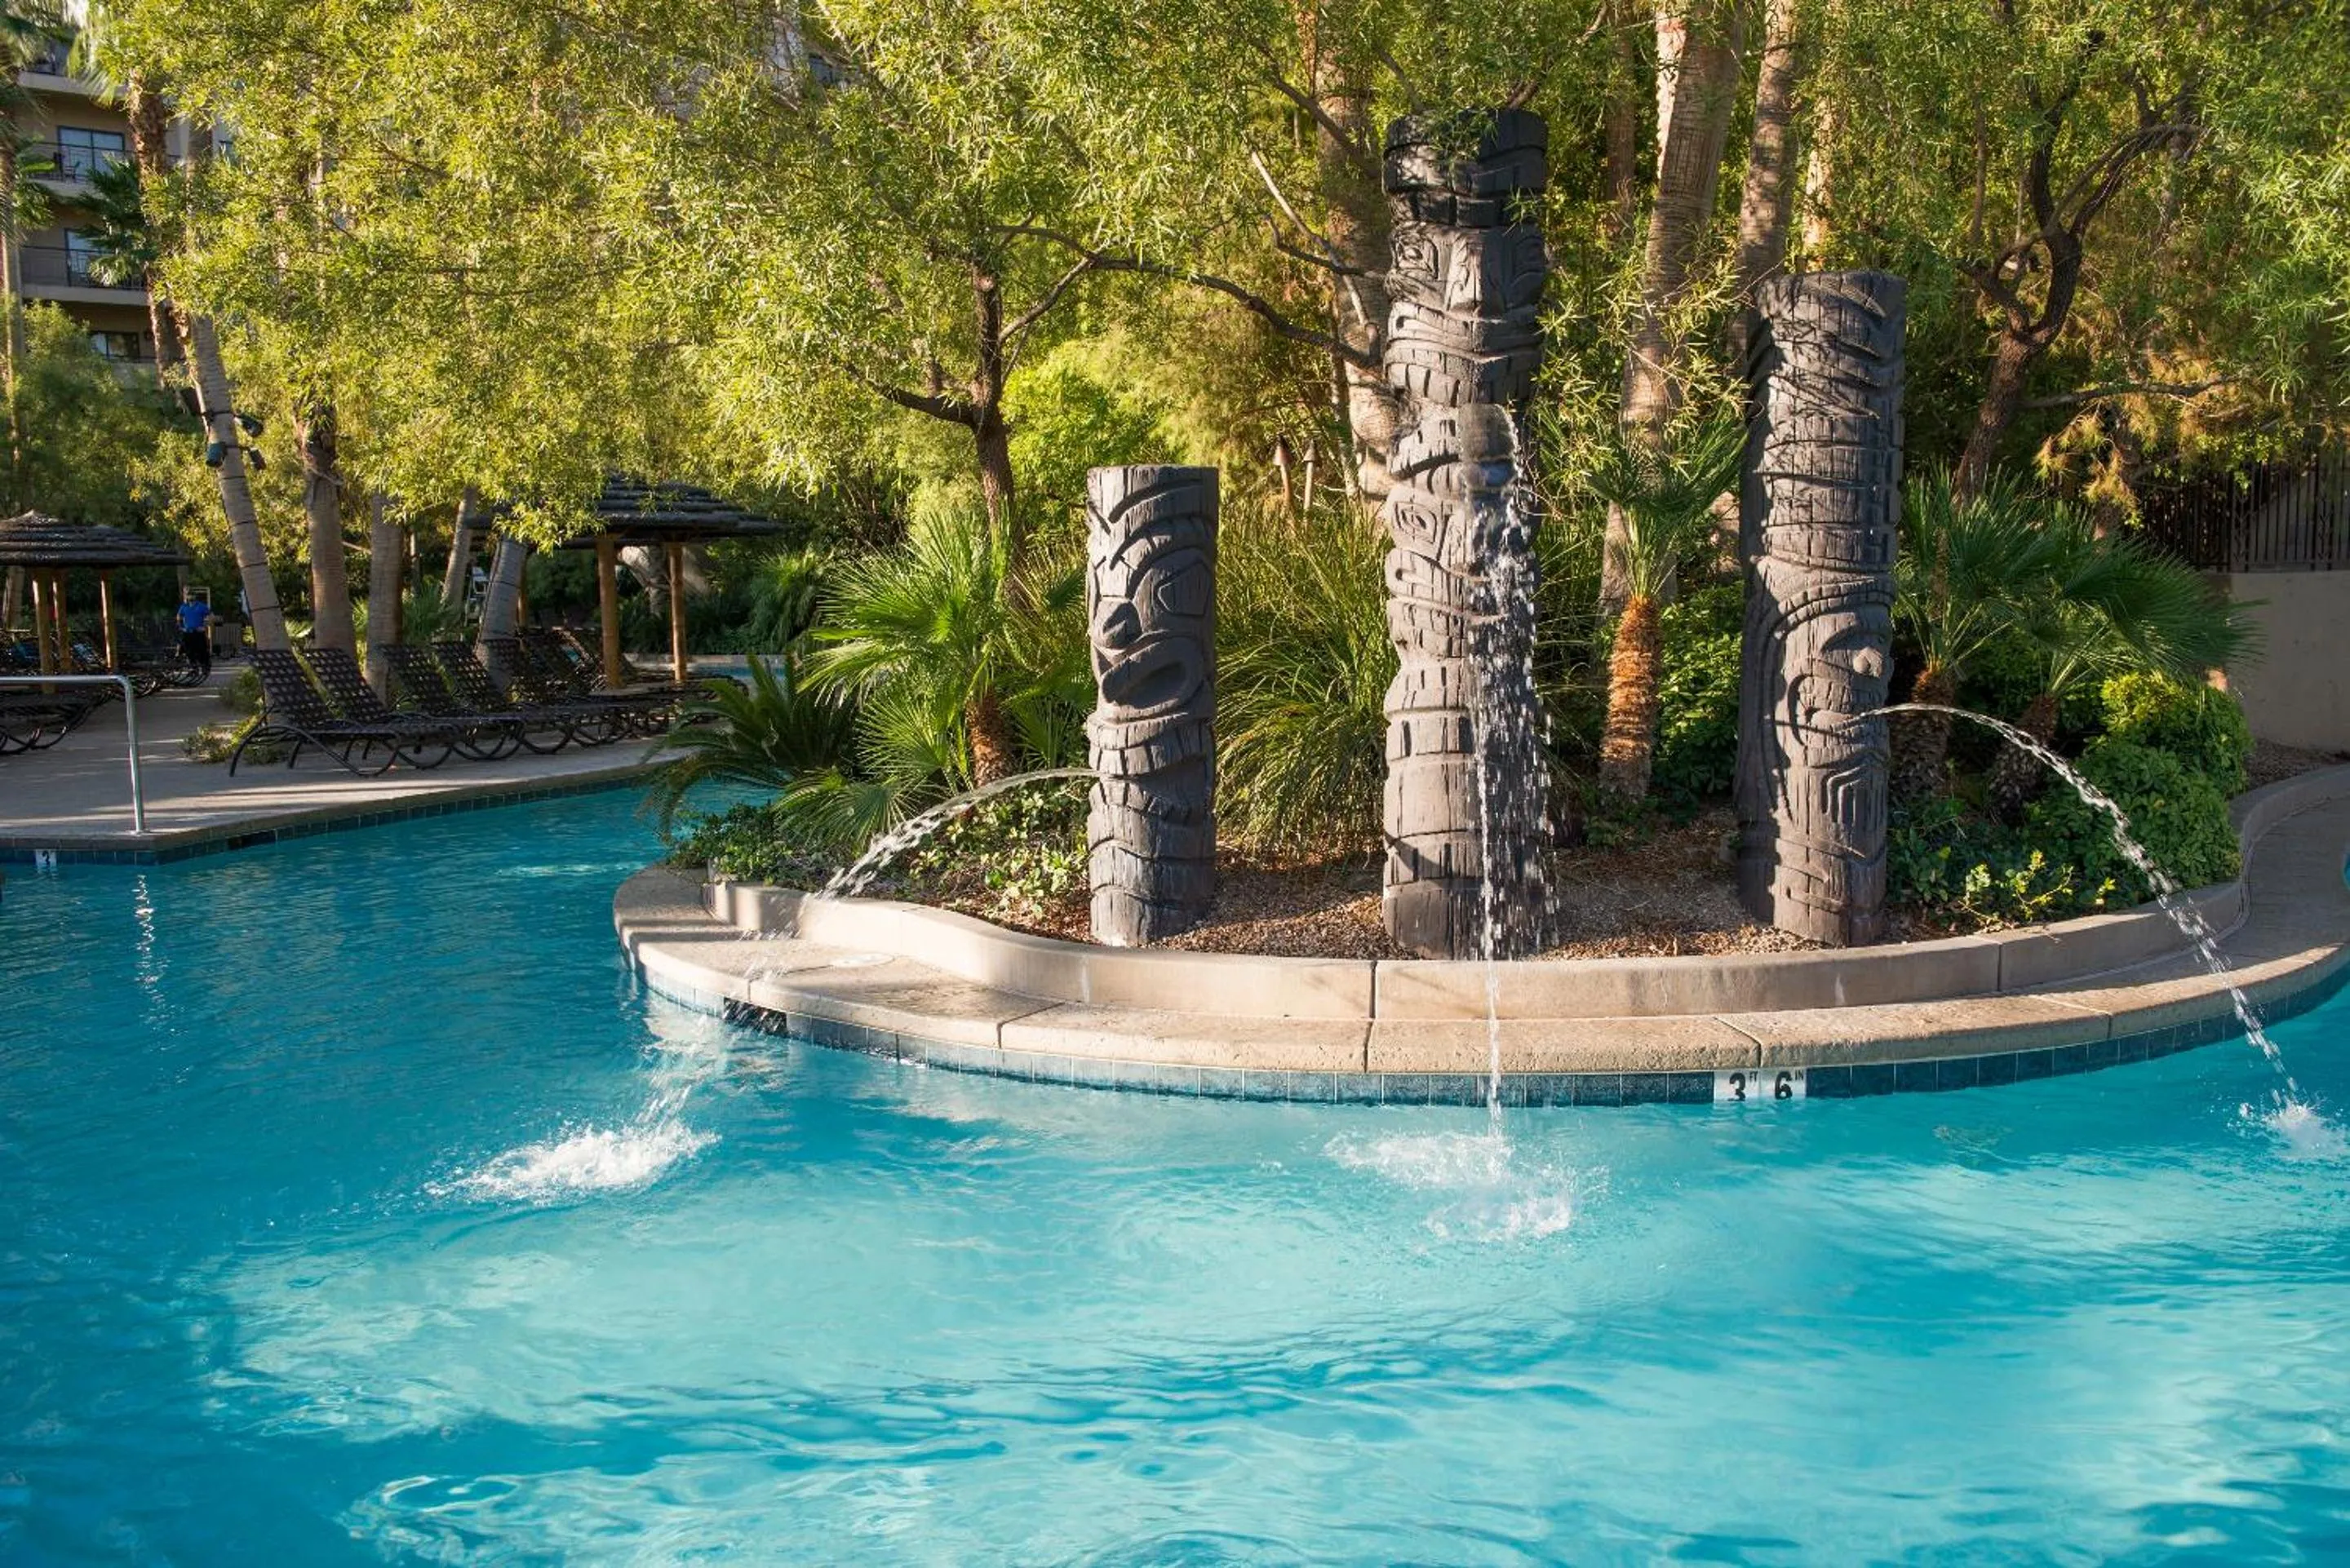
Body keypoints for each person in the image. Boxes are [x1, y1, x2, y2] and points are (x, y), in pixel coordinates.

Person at [176, 592, 214, 681]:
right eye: (189, 595)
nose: (190, 597)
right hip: (188, 632)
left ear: (195, 597)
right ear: (186, 597)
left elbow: (211, 615)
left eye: (192, 595)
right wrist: (181, 627)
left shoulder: (201, 606)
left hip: (198, 632)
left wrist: (205, 625)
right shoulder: (184, 607)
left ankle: (205, 667)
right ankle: (192, 668)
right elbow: (179, 616)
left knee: (202, 650)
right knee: (189, 651)